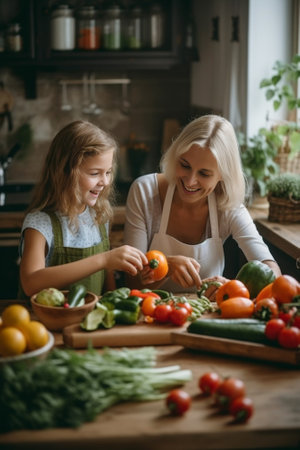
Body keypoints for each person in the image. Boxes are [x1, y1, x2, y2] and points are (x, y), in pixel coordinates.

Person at [124, 114, 281, 296]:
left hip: (208, 317)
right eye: (185, 165)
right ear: (176, 156)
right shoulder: (144, 191)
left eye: (204, 174)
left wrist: (233, 288)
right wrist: (165, 266)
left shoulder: (228, 206)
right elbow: (132, 282)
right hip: (152, 314)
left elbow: (271, 270)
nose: (190, 181)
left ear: (222, 174)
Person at [19, 120, 147, 298]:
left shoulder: (99, 214)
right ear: (65, 171)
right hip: (47, 323)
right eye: (95, 173)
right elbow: (31, 283)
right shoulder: (40, 223)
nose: (105, 182)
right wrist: (104, 259)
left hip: (91, 321)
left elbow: (107, 280)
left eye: (108, 172)